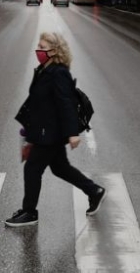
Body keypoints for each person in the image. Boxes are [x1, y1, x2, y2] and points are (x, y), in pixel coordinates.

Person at [7, 31, 105, 228]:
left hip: (50, 132)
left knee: (32, 168)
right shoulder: (44, 69)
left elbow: (66, 104)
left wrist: (72, 133)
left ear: (54, 51)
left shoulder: (59, 72)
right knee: (60, 167)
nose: (38, 50)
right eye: (39, 46)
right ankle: (93, 191)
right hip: (44, 129)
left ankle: (30, 212)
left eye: (43, 48)